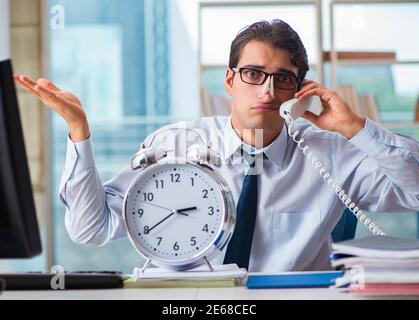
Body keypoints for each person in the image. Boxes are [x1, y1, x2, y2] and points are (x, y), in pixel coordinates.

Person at [15, 20, 419, 272]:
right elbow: (92, 228)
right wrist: (79, 129)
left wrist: (355, 128)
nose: (267, 90)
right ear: (229, 81)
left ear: (299, 90)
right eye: (253, 74)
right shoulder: (174, 143)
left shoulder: (330, 152)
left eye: (283, 78)